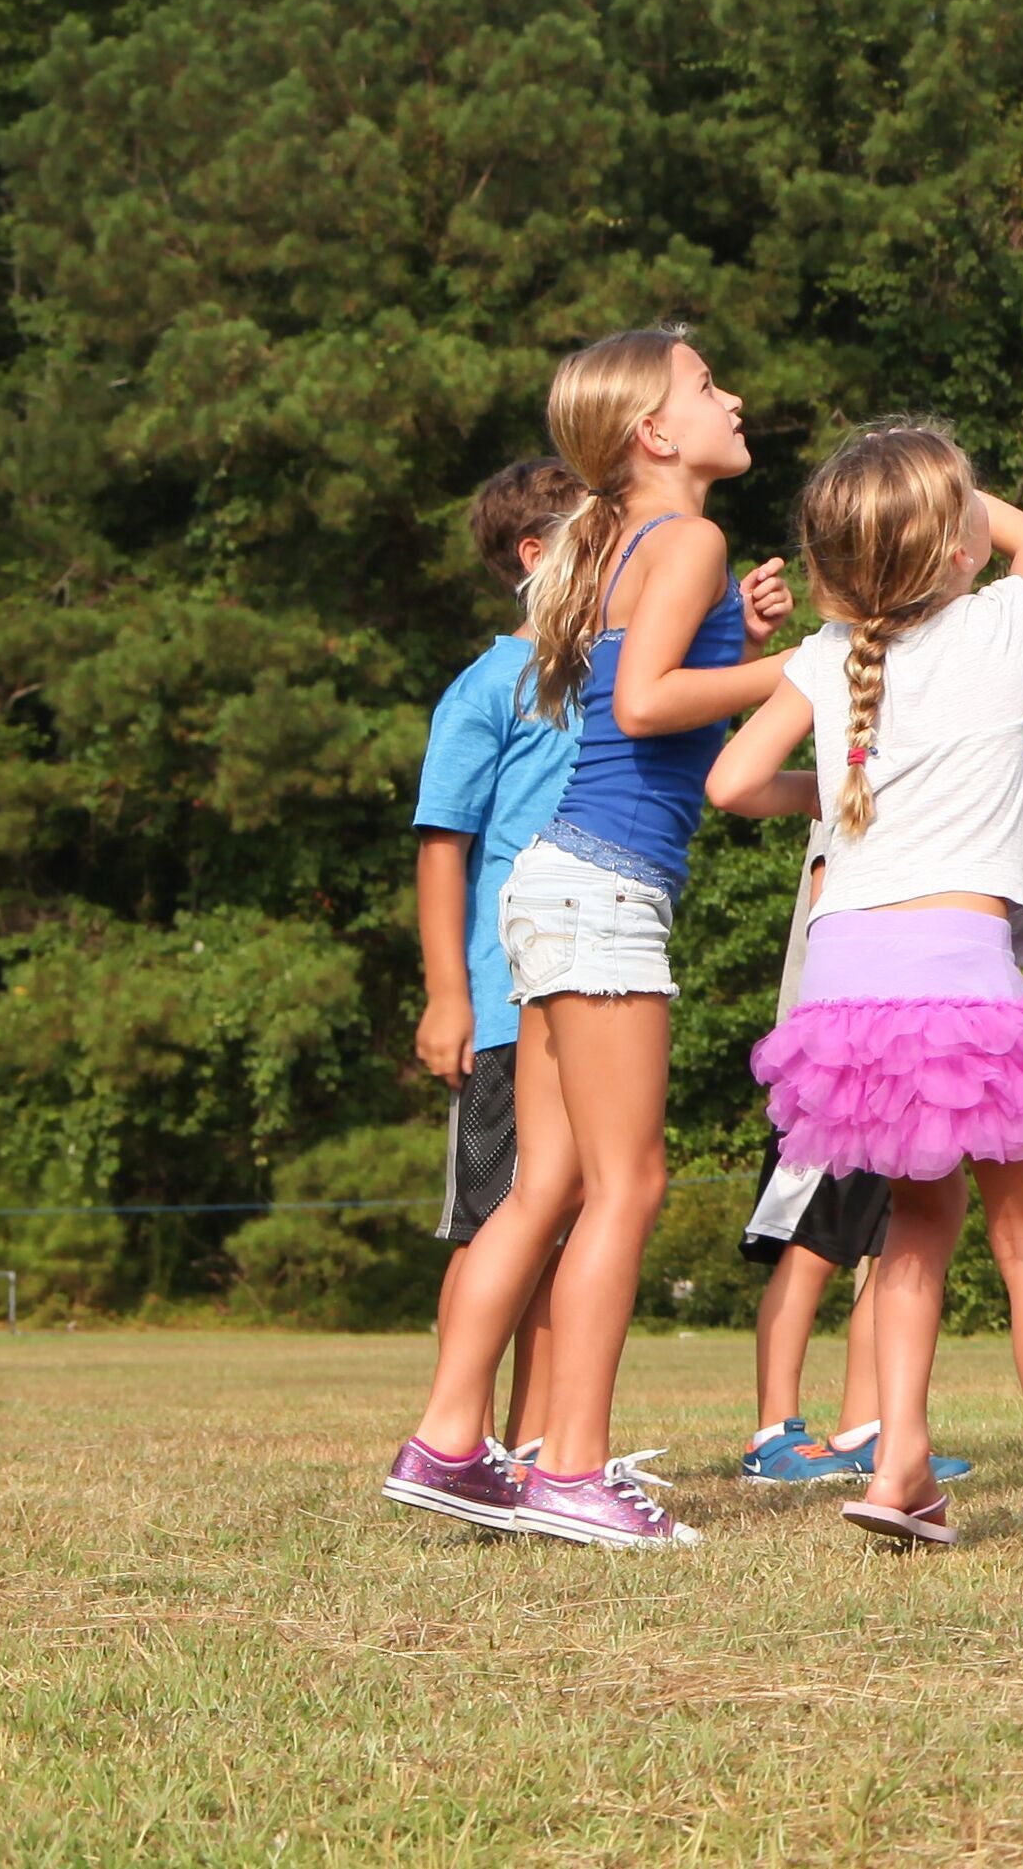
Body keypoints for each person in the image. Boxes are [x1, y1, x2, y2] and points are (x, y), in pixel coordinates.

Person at [712, 420, 1023, 1557]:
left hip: (846, 982)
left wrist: (832, 796)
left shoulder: (824, 659)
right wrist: (944, 471)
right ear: (955, 547)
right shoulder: (1001, 623)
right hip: (960, 979)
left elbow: (728, 781)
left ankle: (901, 1458)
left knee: (915, 1221)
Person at [387, 329, 791, 1551]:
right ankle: (570, 1470)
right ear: (654, 435)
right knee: (632, 1180)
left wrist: (800, 735)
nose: (735, 396)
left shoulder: (616, 544)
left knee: (552, 1180)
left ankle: (452, 1443)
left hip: (559, 881)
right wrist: (817, 664)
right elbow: (644, 704)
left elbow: (693, 755)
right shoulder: (691, 534)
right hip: (606, 883)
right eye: (709, 385)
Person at [390, 457, 578, 1502]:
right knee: (497, 1219)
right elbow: (442, 844)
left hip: (584, 995)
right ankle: (450, 1432)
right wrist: (448, 992)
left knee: (564, 1225)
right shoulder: (487, 686)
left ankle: (534, 1446)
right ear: (535, 553)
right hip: (505, 997)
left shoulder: (614, 675)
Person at [728, 842, 960, 1495]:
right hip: (835, 1059)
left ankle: (864, 1427)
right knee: (811, 1245)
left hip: (899, 1056)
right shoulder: (853, 780)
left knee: (890, 1243)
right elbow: (833, 911)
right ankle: (771, 1434)